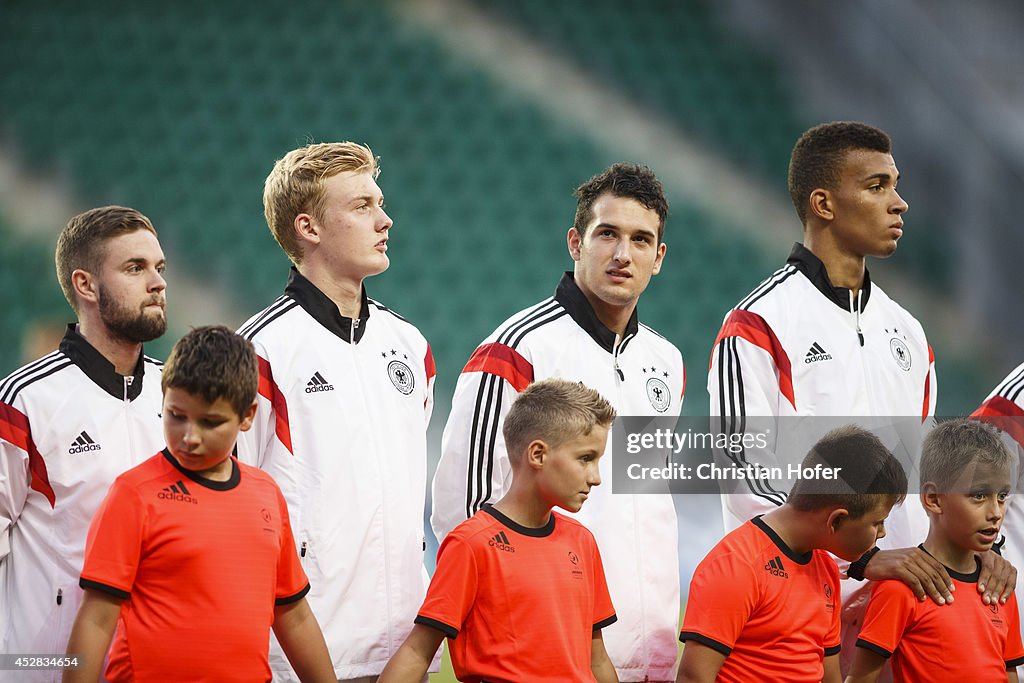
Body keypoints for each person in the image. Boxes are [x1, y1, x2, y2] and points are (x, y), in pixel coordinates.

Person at [707, 121, 1015, 607]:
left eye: (895, 186)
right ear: (823, 204)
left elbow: (924, 470)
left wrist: (974, 549)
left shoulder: (909, 330)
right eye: (877, 187)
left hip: (908, 602)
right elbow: (743, 473)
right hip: (803, 608)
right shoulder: (758, 324)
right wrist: (858, 561)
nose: (899, 203)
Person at [431, 163, 685, 682]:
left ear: (658, 258)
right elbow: (468, 505)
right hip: (544, 651)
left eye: (641, 240)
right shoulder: (518, 348)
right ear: (575, 242)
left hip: (650, 644)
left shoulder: (667, 361)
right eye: (607, 233)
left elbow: (648, 500)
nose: (622, 254)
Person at [235, 142, 436, 682]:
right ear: (309, 228)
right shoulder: (258, 351)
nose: (385, 219)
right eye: (362, 206)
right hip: (301, 653)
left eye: (380, 201)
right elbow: (231, 505)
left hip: (406, 650)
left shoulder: (410, 345)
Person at [63, 326, 335, 682]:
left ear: (248, 415)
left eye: (210, 422)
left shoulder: (265, 493)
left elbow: (293, 614)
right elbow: (97, 618)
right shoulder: (135, 494)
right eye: (176, 416)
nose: (189, 437)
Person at [0, 206, 167, 679]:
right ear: (86, 285)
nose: (157, 282)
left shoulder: (178, 396)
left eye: (160, 268)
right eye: (135, 268)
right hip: (48, 668)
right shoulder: (24, 402)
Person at [380, 378, 619, 683]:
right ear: (538, 455)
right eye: (585, 459)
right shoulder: (471, 544)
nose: (595, 477)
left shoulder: (582, 541)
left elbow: (596, 658)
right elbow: (417, 651)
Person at [677, 425, 907, 683]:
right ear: (835, 521)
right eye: (877, 522)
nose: (882, 533)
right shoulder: (737, 564)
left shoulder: (827, 569)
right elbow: (693, 678)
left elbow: (829, 678)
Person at [846, 419, 1024, 682]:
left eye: (1001, 496)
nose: (996, 513)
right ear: (933, 499)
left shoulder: (999, 586)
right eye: (978, 495)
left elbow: (1008, 673)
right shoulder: (901, 588)